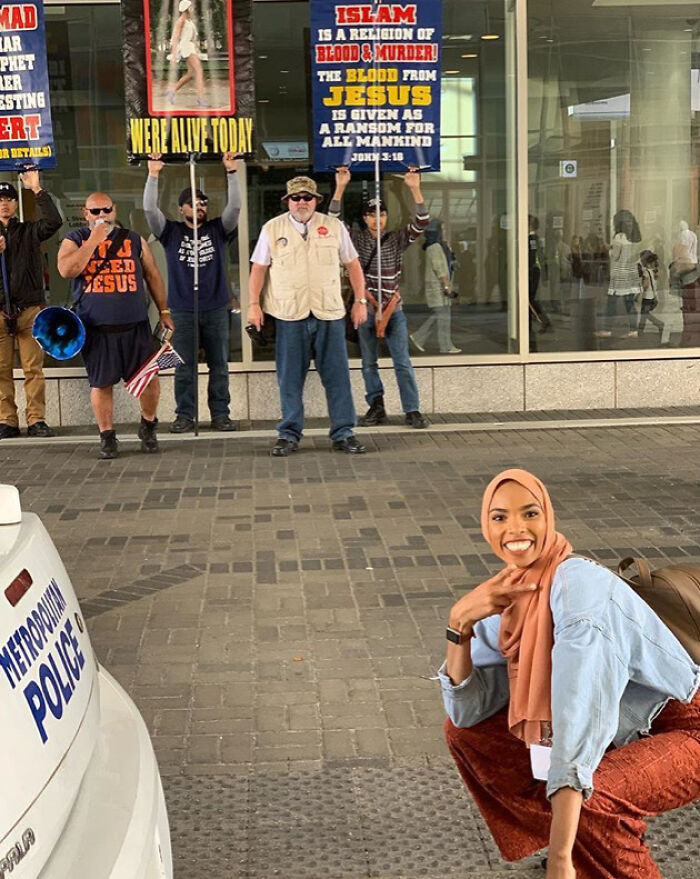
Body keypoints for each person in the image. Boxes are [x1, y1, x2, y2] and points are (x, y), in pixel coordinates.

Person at [440, 468, 700, 879]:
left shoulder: (581, 595)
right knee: (470, 738)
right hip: (624, 719)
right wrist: (460, 623)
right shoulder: (513, 589)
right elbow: (466, 715)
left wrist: (560, 861)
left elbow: (579, 721)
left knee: (594, 794)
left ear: (549, 517)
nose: (515, 529)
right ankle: (586, 838)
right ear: (485, 526)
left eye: (529, 513)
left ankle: (582, 839)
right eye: (499, 517)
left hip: (686, 721)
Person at [247, 175, 368, 457]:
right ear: (287, 201)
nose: (301, 202)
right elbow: (258, 270)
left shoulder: (334, 226)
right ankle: (288, 434)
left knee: (338, 377)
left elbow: (353, 265)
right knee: (289, 378)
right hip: (289, 314)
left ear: (317, 201)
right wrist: (253, 305)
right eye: (296, 198)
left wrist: (360, 301)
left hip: (329, 313)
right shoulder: (272, 228)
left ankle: (344, 433)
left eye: (307, 197)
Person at [57, 192, 174, 459]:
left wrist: (164, 311)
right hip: (98, 329)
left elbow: (153, 274)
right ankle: (107, 436)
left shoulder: (133, 239)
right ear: (86, 214)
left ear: (114, 210)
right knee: (101, 384)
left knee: (149, 380)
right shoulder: (74, 240)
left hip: (136, 326)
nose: (101, 216)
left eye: (106, 210)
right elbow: (66, 270)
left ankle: (148, 425)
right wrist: (94, 242)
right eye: (95, 211)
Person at [144, 151, 240, 432]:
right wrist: (153, 174)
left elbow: (234, 208)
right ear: (181, 209)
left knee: (219, 366)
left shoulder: (217, 229)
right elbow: (150, 210)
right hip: (183, 309)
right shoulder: (170, 231)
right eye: (191, 203)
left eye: (202, 202)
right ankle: (185, 415)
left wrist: (232, 173)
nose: (199, 206)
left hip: (216, 307)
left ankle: (220, 414)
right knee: (184, 367)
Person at [329, 166, 429, 429]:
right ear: (364, 218)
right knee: (368, 362)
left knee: (403, 362)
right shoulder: (356, 239)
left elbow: (421, 222)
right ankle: (376, 406)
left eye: (381, 214)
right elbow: (332, 221)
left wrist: (414, 189)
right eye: (371, 215)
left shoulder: (397, 239)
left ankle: (412, 409)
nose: (377, 219)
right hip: (366, 306)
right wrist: (340, 187)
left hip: (393, 308)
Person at [0, 173, 62, 440]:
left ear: (16, 204)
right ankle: (6, 420)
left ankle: (36, 419)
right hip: (0, 312)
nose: (4, 204)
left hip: (28, 310)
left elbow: (53, 222)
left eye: (9, 199)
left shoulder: (28, 231)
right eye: (0, 200)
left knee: (33, 369)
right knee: (1, 369)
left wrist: (36, 189)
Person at [410, 220, 460, 354]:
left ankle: (445, 345)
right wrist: (446, 286)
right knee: (441, 316)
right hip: (438, 287)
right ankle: (420, 337)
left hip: (439, 286)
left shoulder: (436, 246)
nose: (443, 232)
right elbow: (440, 268)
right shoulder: (435, 247)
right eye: (441, 229)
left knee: (442, 316)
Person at [597, 209, 641, 339]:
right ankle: (634, 330)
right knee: (629, 303)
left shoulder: (618, 236)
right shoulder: (634, 236)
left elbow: (615, 256)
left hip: (620, 274)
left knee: (611, 302)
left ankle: (607, 329)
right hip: (631, 272)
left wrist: (608, 249)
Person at [166, 0, 208, 108]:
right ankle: (201, 99)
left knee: (191, 74)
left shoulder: (189, 21)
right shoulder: (181, 21)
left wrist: (198, 49)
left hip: (190, 48)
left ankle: (172, 92)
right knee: (199, 71)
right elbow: (175, 38)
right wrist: (174, 54)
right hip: (186, 48)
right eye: (191, 7)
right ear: (187, 8)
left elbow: (192, 38)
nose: (193, 8)